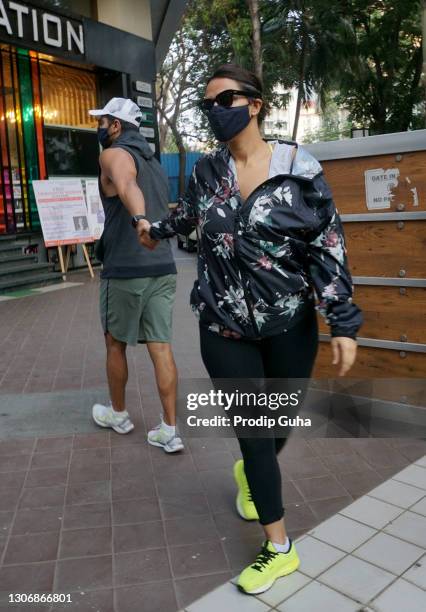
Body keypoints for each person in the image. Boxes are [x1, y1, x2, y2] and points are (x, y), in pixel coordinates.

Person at [138, 65, 363, 594]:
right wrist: (155, 230)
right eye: (208, 103)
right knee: (256, 437)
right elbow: (190, 217)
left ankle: (250, 475)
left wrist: (343, 321)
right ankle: (280, 547)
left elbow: (325, 246)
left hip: (290, 324)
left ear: (255, 104)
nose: (216, 110)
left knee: (279, 427)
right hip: (223, 326)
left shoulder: (298, 168)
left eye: (227, 99)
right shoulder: (205, 170)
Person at [89, 97, 183, 453]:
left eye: (103, 122)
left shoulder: (112, 155)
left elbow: (127, 185)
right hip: (162, 267)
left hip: (126, 268)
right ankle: (169, 430)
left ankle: (119, 414)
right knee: (161, 346)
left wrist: (139, 219)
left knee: (115, 343)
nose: (99, 128)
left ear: (115, 126)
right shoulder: (154, 163)